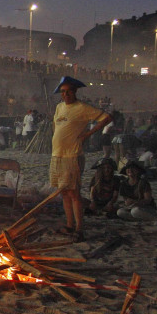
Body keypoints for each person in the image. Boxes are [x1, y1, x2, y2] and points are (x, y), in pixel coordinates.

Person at [49, 76, 112, 242]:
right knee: (64, 192)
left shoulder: (82, 107)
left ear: (75, 91)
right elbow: (56, 126)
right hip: (57, 155)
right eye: (63, 91)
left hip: (72, 155)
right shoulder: (59, 107)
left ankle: (79, 228)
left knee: (74, 192)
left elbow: (106, 118)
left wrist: (87, 134)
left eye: (69, 91)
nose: (66, 94)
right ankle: (69, 225)